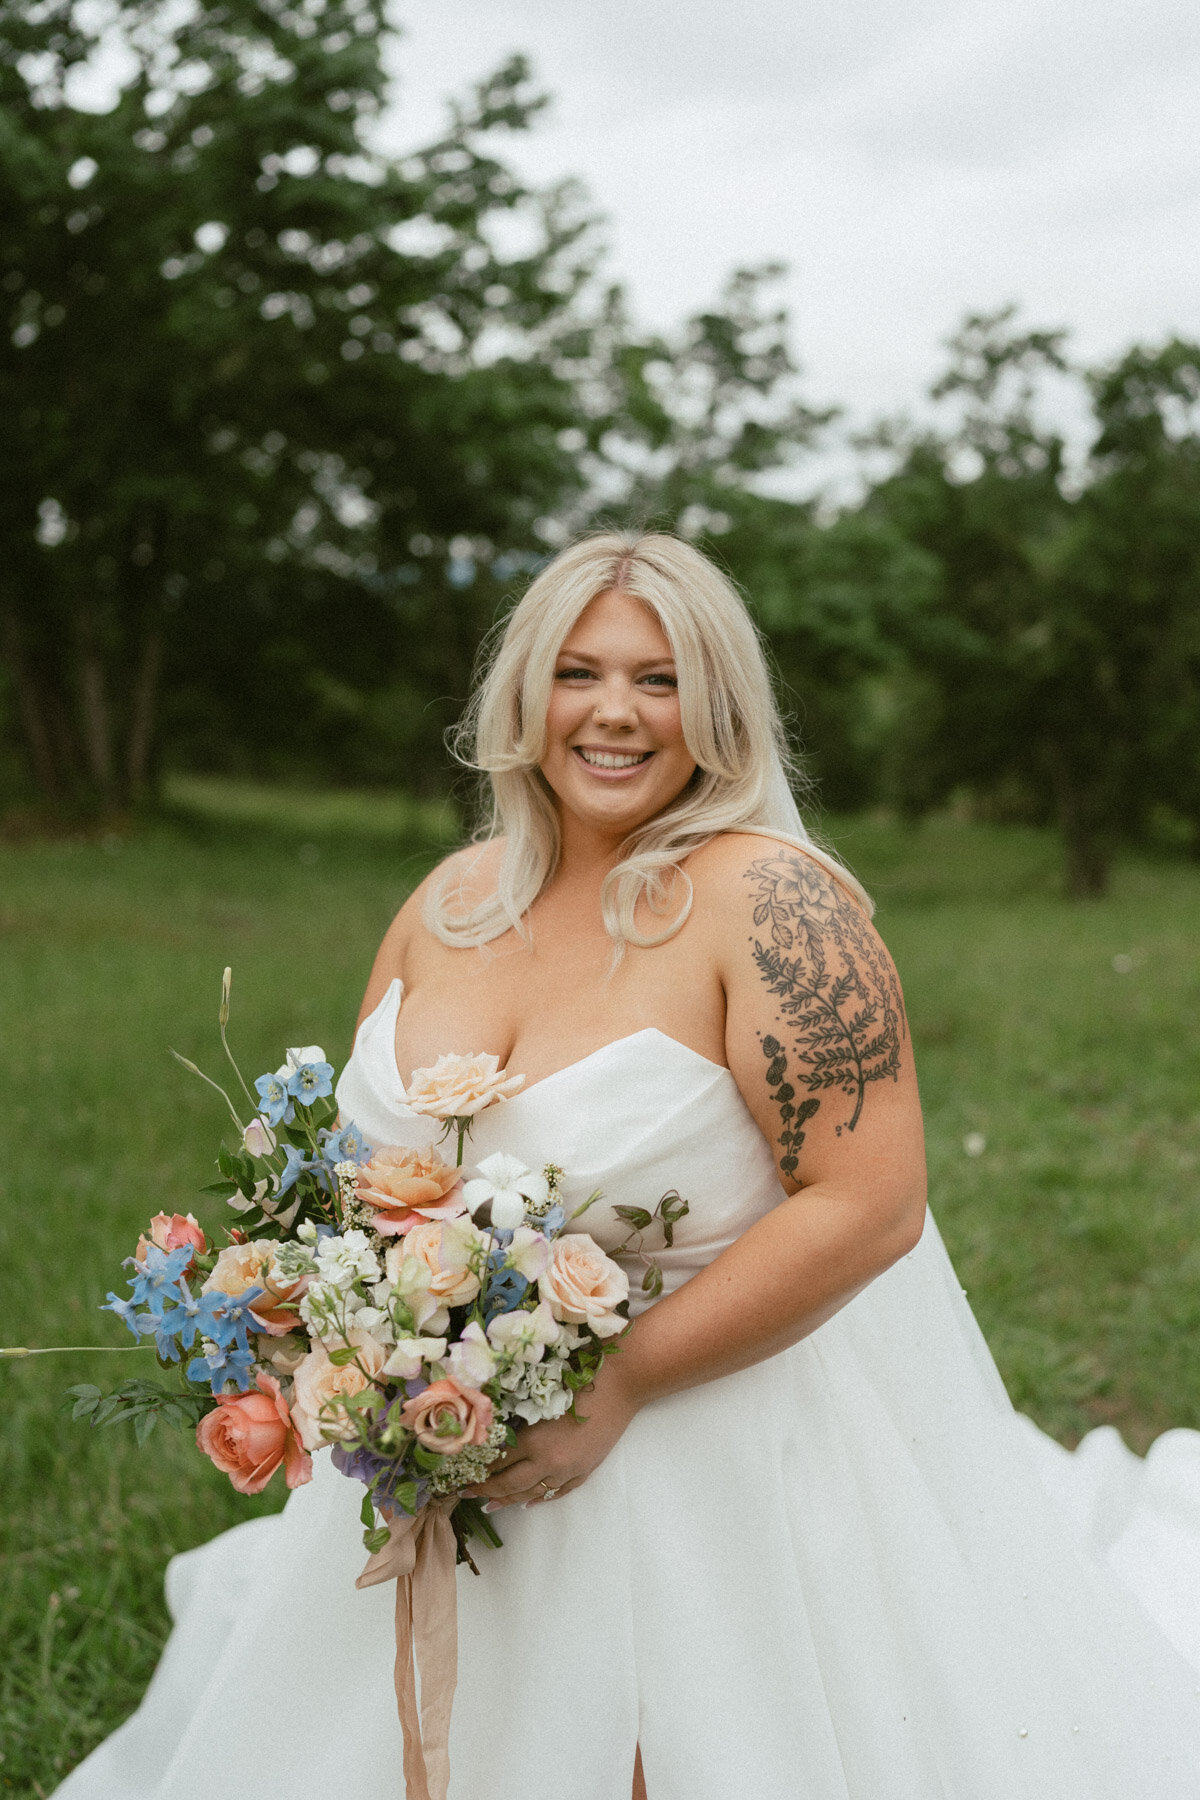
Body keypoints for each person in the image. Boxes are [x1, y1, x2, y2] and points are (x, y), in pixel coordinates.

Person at [55, 532, 1200, 1800]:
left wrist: (623, 1384)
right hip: (434, 1448)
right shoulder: (447, 900)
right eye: (579, 672)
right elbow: (357, 1174)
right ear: (524, 693)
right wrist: (330, 1335)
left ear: (717, 708)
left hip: (701, 1443)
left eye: (659, 680)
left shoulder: (778, 909)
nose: (614, 712)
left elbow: (871, 1205)